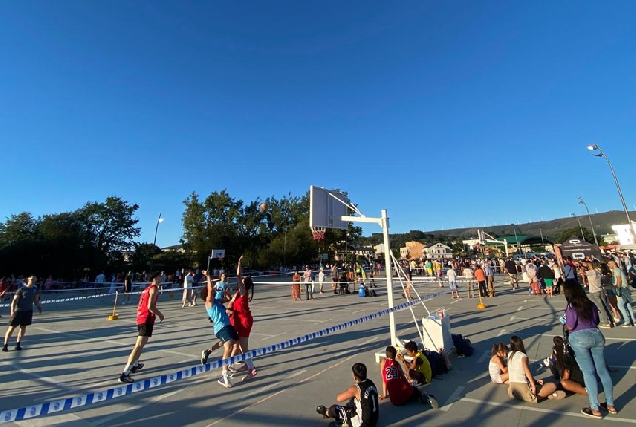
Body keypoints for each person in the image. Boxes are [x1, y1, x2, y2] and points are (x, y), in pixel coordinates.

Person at [563, 281, 616, 418]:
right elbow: (596, 321)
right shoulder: (590, 304)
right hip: (596, 335)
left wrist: (563, 321)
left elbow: (570, 326)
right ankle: (610, 404)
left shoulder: (571, 306)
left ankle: (594, 407)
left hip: (579, 338)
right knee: (602, 371)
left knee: (589, 372)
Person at [118, 272, 164, 383]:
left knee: (141, 344)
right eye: (158, 277)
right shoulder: (154, 289)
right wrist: (160, 314)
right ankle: (125, 373)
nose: (160, 279)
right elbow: (150, 306)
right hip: (146, 318)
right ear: (154, 278)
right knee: (138, 346)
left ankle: (135, 364)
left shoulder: (146, 289)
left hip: (140, 317)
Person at [200, 270, 240, 388]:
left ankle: (208, 351)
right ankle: (224, 374)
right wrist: (208, 276)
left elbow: (228, 299)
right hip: (220, 327)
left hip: (227, 325)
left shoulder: (217, 301)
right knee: (228, 344)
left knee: (235, 343)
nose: (213, 289)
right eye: (212, 290)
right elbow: (209, 288)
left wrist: (228, 294)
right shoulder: (209, 302)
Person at [316, 363, 379, 427]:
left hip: (362, 424)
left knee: (335, 409)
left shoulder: (356, 389)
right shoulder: (371, 383)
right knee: (352, 402)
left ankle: (327, 413)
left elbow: (339, 398)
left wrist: (348, 391)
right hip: (374, 420)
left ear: (355, 377)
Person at [507, 336, 565, 403]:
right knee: (553, 386)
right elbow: (527, 371)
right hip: (524, 390)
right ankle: (546, 395)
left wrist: (534, 381)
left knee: (541, 385)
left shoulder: (510, 354)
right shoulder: (523, 356)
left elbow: (519, 373)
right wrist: (533, 385)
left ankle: (545, 393)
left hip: (512, 390)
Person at [226, 256, 258, 378]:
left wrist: (239, 263)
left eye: (242, 281)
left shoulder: (243, 292)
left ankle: (252, 369)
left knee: (243, 347)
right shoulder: (239, 293)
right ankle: (247, 364)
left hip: (244, 321)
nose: (241, 281)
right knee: (240, 345)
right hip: (239, 320)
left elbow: (238, 276)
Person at [3, 276, 41, 352]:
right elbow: (14, 300)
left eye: (34, 280)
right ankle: (5, 345)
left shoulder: (35, 289)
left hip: (28, 311)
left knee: (23, 328)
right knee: (11, 328)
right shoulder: (21, 289)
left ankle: (18, 344)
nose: (32, 281)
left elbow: (36, 300)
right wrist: (12, 311)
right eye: (31, 279)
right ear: (28, 280)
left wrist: (39, 307)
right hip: (19, 311)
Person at [585, 262, 614, 328]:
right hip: (600, 290)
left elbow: (582, 273)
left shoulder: (591, 272)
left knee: (601, 307)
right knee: (605, 305)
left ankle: (606, 322)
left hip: (594, 291)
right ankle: (611, 320)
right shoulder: (598, 272)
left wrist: (584, 266)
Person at [608, 260, 634, 327]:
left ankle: (627, 321)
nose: (609, 265)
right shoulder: (617, 270)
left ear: (613, 264)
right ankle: (633, 320)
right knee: (627, 305)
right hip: (625, 288)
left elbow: (619, 279)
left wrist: (618, 289)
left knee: (620, 305)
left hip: (622, 288)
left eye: (609, 264)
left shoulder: (616, 270)